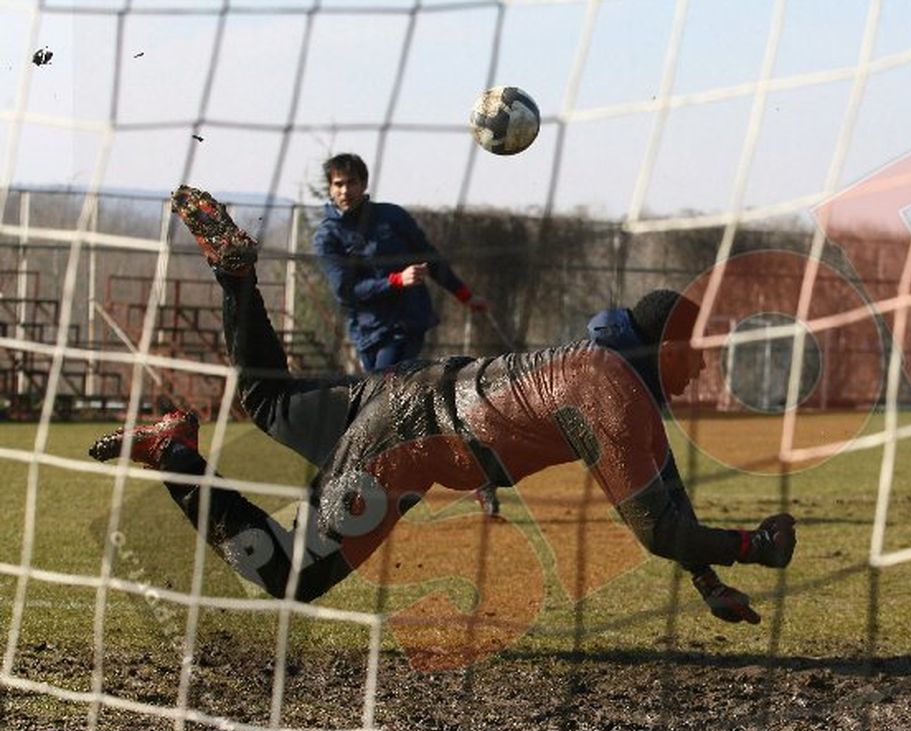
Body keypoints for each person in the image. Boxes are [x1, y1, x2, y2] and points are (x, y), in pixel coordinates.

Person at [89, 185, 796, 626]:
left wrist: (710, 579)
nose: (703, 364)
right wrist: (754, 548)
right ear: (666, 343)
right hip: (406, 443)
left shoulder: (609, 373)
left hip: (407, 390)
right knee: (286, 575)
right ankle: (171, 452)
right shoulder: (613, 395)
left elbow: (667, 498)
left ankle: (234, 279)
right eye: (698, 348)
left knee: (265, 398)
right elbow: (658, 530)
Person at [314, 153, 489, 372]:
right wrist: (395, 280)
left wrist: (465, 295)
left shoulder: (392, 217)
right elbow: (345, 290)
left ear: (364, 184)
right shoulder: (327, 237)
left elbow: (430, 258)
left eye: (352, 182)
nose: (345, 190)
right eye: (338, 184)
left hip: (406, 324)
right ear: (330, 188)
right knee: (376, 397)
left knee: (384, 389)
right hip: (366, 331)